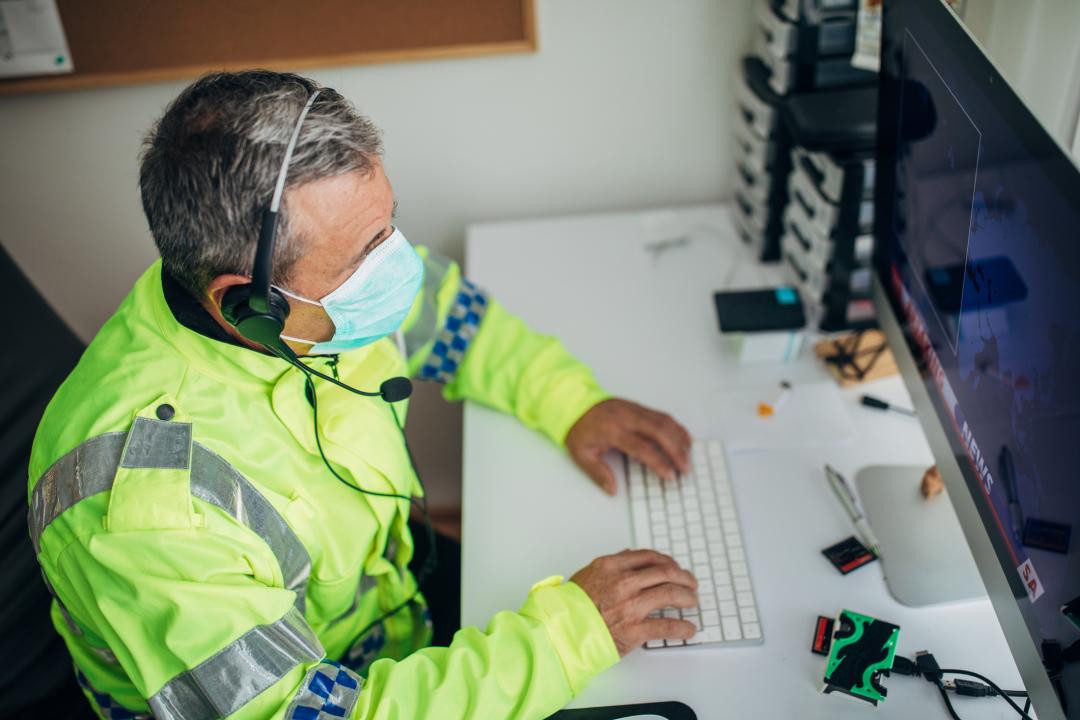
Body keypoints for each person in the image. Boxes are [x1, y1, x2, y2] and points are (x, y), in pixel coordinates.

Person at [27, 70, 699, 720]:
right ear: (247, 305)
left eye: (388, 228)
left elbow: (454, 319)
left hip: (389, 603)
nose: (398, 265)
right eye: (363, 258)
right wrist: (566, 640)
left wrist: (568, 401)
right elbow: (304, 713)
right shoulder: (147, 513)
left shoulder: (302, 283)